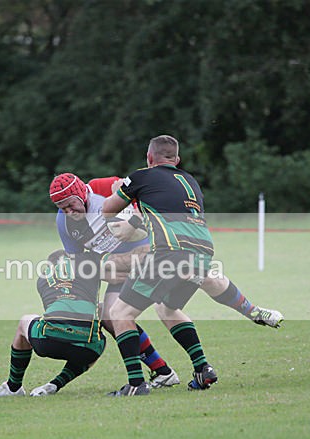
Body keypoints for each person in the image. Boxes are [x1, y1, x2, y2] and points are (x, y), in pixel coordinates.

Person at [101, 134, 222, 395]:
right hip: (202, 254)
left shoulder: (141, 176)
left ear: (149, 157)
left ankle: (136, 384)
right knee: (167, 308)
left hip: (169, 253)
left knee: (120, 313)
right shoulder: (190, 181)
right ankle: (202, 368)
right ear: (177, 160)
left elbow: (107, 210)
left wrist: (118, 190)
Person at [87, 176, 283, 328]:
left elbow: (136, 204)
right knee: (154, 309)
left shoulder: (112, 185)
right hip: (133, 259)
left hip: (157, 250)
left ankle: (251, 311)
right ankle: (192, 364)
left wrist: (132, 222)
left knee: (198, 282)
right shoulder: (76, 215)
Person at [49, 172, 180, 388]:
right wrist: (102, 272)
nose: (69, 212)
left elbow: (143, 198)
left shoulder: (103, 187)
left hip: (150, 256)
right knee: (110, 316)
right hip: (118, 270)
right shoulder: (64, 223)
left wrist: (134, 223)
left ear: (81, 193)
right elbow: (78, 262)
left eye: (71, 204)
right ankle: (163, 372)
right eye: (62, 208)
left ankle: (199, 367)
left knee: (165, 309)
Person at [0, 250, 106, 397]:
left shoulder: (42, 280)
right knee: (96, 339)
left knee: (25, 320)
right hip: (87, 348)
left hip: (48, 341)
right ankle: (56, 384)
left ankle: (13, 387)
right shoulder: (87, 266)